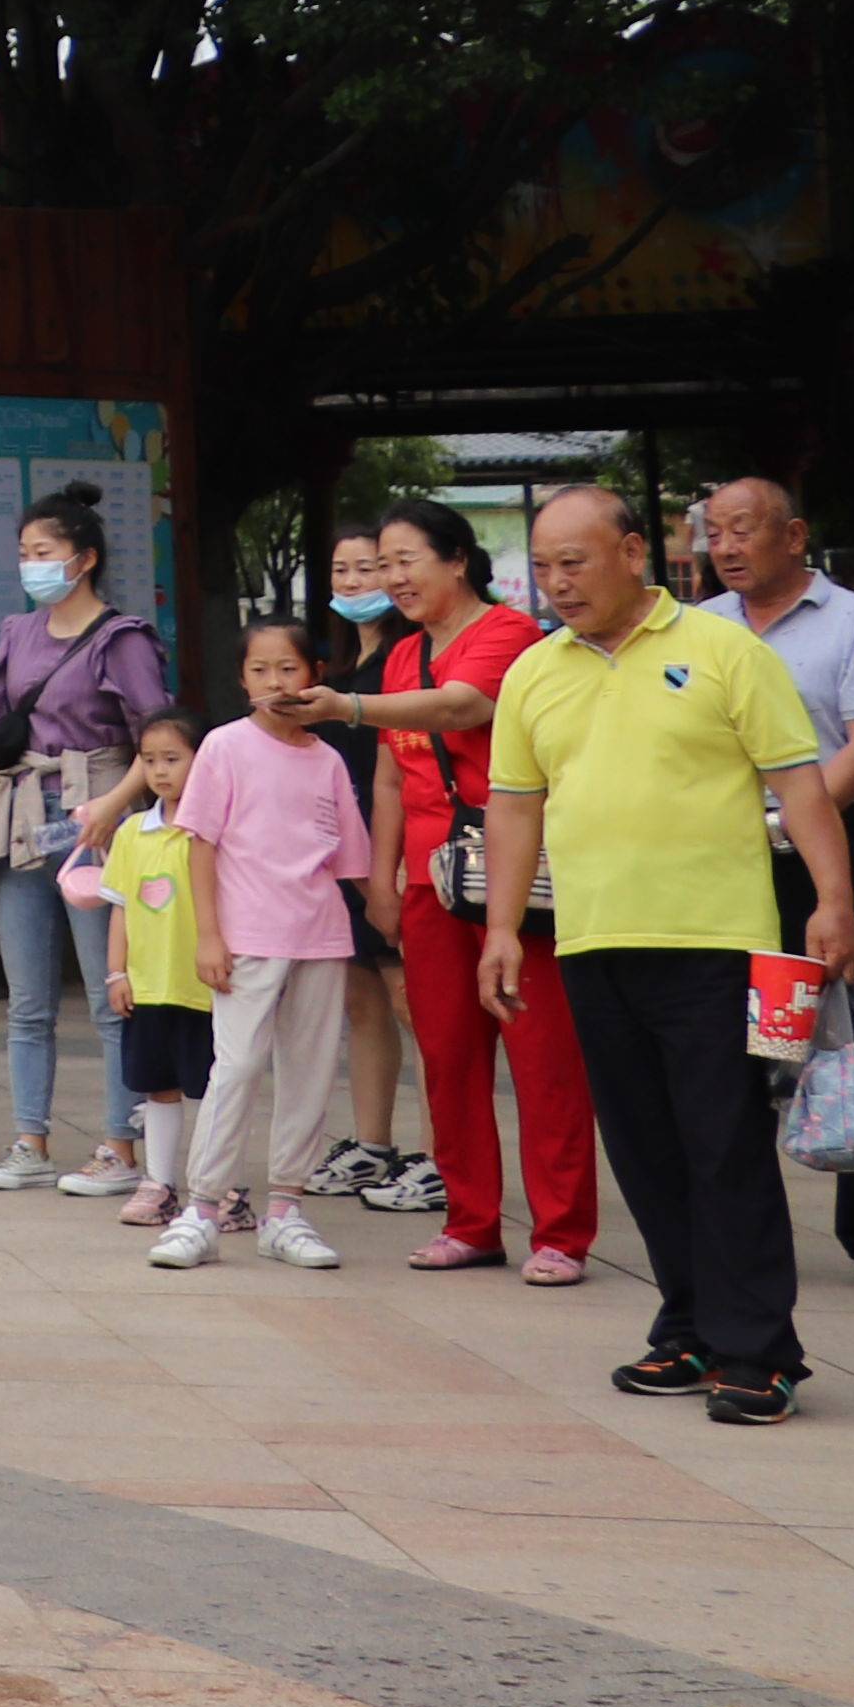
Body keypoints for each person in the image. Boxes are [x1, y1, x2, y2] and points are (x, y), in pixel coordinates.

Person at [490, 481, 854, 1424]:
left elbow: (799, 782)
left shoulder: (724, 650)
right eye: (542, 567)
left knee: (723, 1143)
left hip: (715, 943)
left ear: (631, 555)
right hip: (594, 938)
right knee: (645, 1149)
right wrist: (500, 928)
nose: (557, 583)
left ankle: (759, 1353)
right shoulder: (537, 670)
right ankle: (688, 1329)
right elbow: (514, 804)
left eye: (573, 562)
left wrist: (832, 900)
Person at [302, 499, 591, 1278]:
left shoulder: (510, 636)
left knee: (542, 1060)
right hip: (430, 882)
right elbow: (393, 776)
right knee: (448, 1056)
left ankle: (562, 1234)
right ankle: (471, 1223)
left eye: (406, 560)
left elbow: (465, 705)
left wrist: (348, 705)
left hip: (516, 877)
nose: (394, 577)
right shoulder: (401, 657)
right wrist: (381, 881)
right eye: (383, 562)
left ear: (457, 559)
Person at [0, 481, 172, 1195]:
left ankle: (119, 1146)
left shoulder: (123, 637)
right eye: (23, 553)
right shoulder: (17, 632)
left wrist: (114, 804)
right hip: (21, 813)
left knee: (112, 989)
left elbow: (159, 738)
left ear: (83, 559)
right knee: (28, 998)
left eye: (42, 552)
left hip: (94, 815)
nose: (30, 565)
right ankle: (29, 1138)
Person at [695, 475, 854, 1286]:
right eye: (714, 533)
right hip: (729, 859)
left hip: (837, 846)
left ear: (794, 536)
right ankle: (744, 1232)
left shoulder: (853, 622)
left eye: (743, 530)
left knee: (853, 1037)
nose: (725, 547)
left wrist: (786, 825)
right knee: (749, 1044)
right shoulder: (699, 629)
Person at [172, 619, 371, 1271]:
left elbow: (350, 862)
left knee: (310, 1072)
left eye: (287, 668)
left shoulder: (328, 759)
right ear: (242, 679)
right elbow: (200, 844)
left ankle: (286, 1208)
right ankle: (201, 1209)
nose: (274, 682)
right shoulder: (225, 747)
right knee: (237, 1068)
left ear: (314, 675)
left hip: (319, 934)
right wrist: (209, 934)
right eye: (259, 670)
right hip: (248, 934)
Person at [307, 528, 420, 1205]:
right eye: (341, 570)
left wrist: (392, 869)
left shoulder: (409, 661)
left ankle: (445, 1156)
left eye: (368, 568)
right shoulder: (340, 669)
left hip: (396, 858)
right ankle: (374, 1145)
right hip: (341, 860)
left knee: (417, 1007)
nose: (351, 582)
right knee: (363, 1004)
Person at [82, 712, 217, 1233]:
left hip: (203, 987)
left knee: (210, 1088)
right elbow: (119, 908)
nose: (161, 772)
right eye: (150, 760)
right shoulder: (133, 832)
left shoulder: (212, 831)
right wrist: (117, 974)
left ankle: (218, 1186)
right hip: (149, 986)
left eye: (173, 759)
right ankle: (159, 1183)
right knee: (157, 1087)